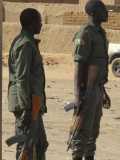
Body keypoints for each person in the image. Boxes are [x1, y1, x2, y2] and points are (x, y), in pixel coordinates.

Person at [69, 0, 109, 160]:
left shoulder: (100, 33)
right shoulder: (85, 33)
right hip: (87, 91)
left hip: (97, 89)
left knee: (93, 132)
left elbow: (98, 67)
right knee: (81, 132)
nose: (106, 12)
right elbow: (79, 66)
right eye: (102, 9)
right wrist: (78, 97)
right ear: (92, 13)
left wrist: (103, 91)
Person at [8, 8, 48, 160]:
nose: (41, 24)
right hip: (26, 104)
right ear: (31, 23)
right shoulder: (24, 44)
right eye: (39, 21)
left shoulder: (29, 42)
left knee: (40, 144)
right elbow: (22, 78)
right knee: (26, 145)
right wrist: (26, 108)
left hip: (34, 102)